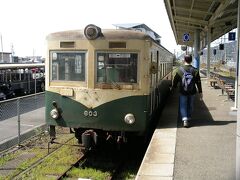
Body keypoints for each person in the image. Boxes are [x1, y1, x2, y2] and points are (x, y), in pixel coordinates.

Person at [172, 55, 203, 128]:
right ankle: (188, 118)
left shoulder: (179, 70)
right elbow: (198, 82)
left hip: (182, 91)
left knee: (183, 105)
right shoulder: (195, 70)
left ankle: (185, 119)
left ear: (184, 60)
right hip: (192, 91)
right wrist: (200, 92)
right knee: (190, 105)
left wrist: (174, 88)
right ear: (191, 60)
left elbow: (175, 81)